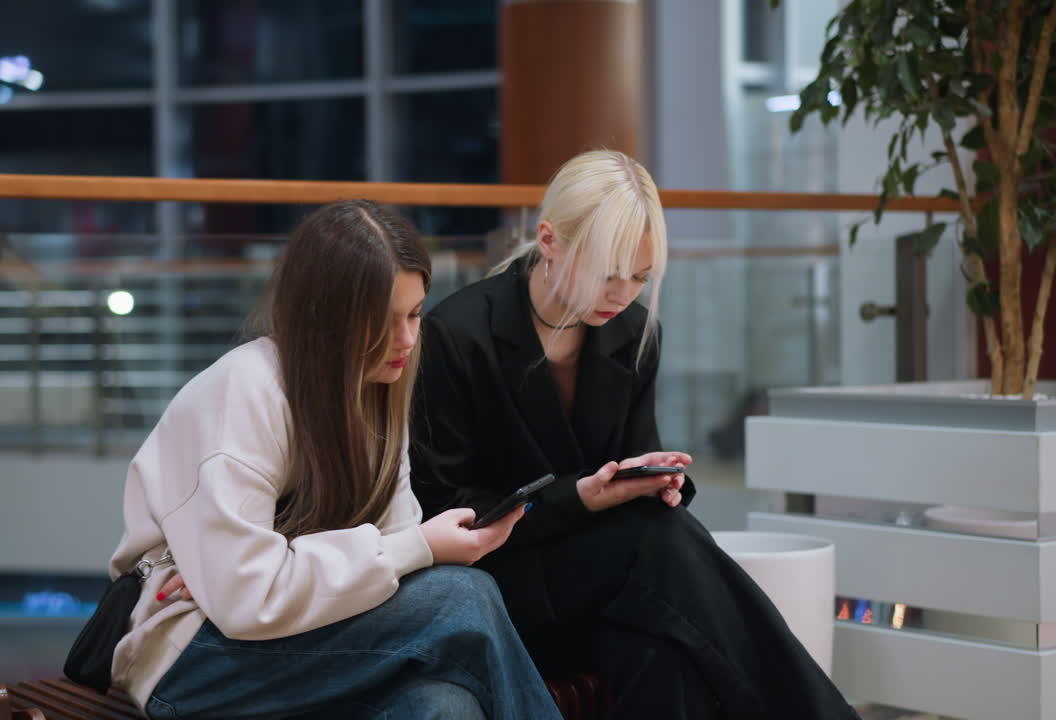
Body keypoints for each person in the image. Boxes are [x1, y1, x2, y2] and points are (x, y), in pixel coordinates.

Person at [410, 150, 859, 719]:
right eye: (609, 273)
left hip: (613, 583)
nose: (624, 293)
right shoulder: (458, 334)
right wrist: (579, 498)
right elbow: (443, 507)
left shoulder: (633, 333)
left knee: (659, 633)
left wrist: (656, 483)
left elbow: (628, 468)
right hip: (502, 582)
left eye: (641, 277)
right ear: (549, 240)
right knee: (658, 545)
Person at [110, 199, 562, 720]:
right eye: (384, 320)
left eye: (415, 314)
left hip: (296, 638)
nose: (408, 340)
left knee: (442, 705)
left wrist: (296, 556)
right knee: (464, 598)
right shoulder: (248, 391)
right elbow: (249, 599)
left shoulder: (373, 396)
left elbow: (381, 566)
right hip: (190, 659)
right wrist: (417, 548)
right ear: (326, 316)